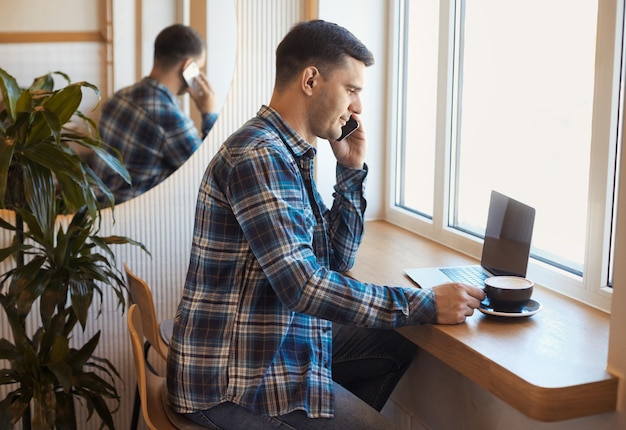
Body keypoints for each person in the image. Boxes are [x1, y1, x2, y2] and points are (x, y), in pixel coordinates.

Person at [166, 20, 485, 430]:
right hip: (231, 385)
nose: (358, 107)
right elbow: (303, 286)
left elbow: (336, 258)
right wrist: (425, 303)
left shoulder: (288, 152)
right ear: (312, 80)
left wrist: (350, 170)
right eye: (351, 89)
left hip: (267, 349)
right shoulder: (260, 156)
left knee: (393, 342)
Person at [93, 24, 218, 204]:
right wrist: (209, 112)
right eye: (197, 68)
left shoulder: (118, 97)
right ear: (187, 67)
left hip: (101, 210)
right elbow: (209, 175)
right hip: (134, 221)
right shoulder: (170, 118)